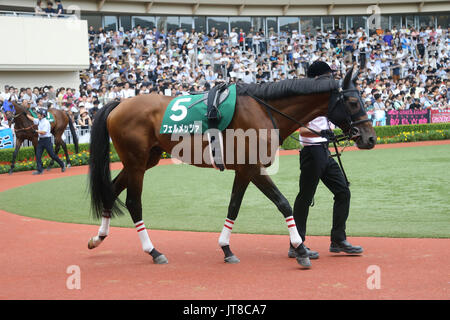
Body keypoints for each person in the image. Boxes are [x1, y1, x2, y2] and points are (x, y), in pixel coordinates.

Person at [288, 61, 363, 260]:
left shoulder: (326, 98)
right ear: (317, 78)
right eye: (328, 76)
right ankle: (297, 244)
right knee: (305, 197)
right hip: (312, 152)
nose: (330, 79)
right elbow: (303, 130)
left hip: (323, 151)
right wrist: (324, 133)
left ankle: (338, 239)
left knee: (343, 191)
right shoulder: (306, 98)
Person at [26, 109, 65, 175]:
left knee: (52, 155)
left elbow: (44, 132)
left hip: (47, 140)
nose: (37, 115)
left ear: (42, 115)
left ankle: (62, 164)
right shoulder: (39, 120)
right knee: (38, 155)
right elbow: (32, 119)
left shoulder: (46, 122)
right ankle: (39, 170)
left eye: (38, 114)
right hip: (41, 140)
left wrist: (36, 131)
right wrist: (26, 114)